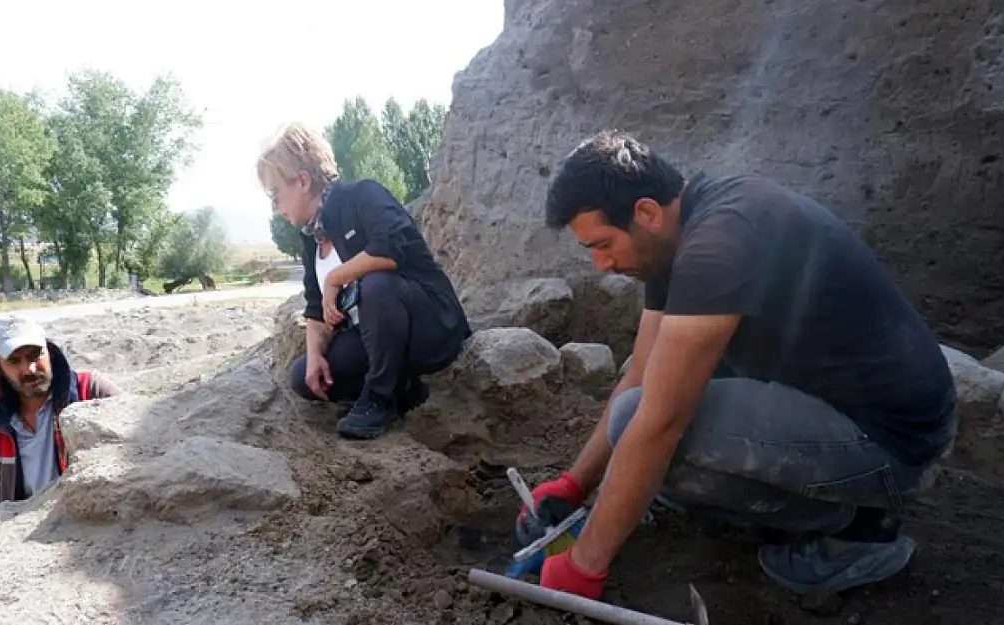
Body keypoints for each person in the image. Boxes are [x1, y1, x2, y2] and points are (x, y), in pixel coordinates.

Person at [520, 130, 957, 599]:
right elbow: (641, 371)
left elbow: (659, 420)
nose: (601, 265)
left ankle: (856, 530)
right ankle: (829, 502)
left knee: (645, 427)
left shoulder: (718, 241)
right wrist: (573, 484)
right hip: (842, 405)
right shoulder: (674, 241)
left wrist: (585, 567)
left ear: (645, 212)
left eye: (603, 244)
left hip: (896, 442)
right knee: (650, 429)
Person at [256, 123, 471, 440]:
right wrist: (315, 354)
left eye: (276, 193)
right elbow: (316, 311)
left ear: (302, 181)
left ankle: (381, 399)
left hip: (428, 325)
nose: (275, 205)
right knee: (304, 376)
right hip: (375, 340)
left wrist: (335, 277)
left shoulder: (363, 196)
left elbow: (389, 250)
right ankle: (403, 389)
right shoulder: (311, 240)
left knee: (377, 284)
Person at [0, 316, 122, 519]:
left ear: (50, 353)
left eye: (35, 355)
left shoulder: (91, 392)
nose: (29, 369)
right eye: (14, 361)